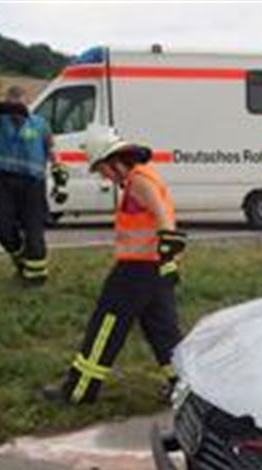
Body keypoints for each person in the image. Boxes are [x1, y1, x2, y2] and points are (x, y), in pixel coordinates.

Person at [43, 126, 185, 405]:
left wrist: (168, 254)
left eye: (101, 169)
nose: (102, 176)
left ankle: (80, 390)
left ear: (114, 161)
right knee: (163, 331)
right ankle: (183, 386)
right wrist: (168, 263)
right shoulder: (144, 176)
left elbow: (164, 220)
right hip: (152, 269)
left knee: (105, 326)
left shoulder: (139, 182)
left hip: (136, 271)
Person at [0, 85, 57, 286]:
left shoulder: (40, 123)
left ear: (27, 101)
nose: (16, 103)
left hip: (33, 185)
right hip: (3, 182)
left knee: (34, 232)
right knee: (3, 228)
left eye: (19, 99)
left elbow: (50, 147)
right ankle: (21, 260)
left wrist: (58, 167)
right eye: (11, 100)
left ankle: (36, 279)